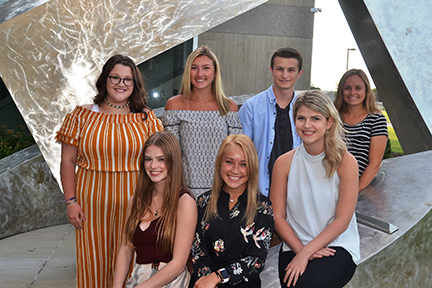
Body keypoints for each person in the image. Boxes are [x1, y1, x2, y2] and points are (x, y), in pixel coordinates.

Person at [55, 54, 163, 288]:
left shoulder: (146, 119)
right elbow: (67, 160)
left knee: (133, 265)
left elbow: (160, 165)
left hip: (136, 206)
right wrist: (70, 202)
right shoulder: (82, 115)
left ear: (135, 85)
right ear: (105, 79)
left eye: (127, 79)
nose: (120, 84)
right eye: (115, 77)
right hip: (90, 209)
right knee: (93, 264)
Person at [271, 91, 360, 288]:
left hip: (336, 246)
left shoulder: (345, 162)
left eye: (315, 118)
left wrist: (306, 253)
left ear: (329, 122)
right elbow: (277, 217)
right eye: (301, 118)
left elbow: (343, 220)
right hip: (294, 244)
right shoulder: (283, 163)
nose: (307, 125)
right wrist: (301, 249)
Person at [113, 131, 197, 288]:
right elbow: (125, 250)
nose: (153, 166)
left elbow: (178, 264)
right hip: (138, 279)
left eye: (161, 160)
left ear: (173, 162)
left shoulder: (185, 203)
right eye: (148, 159)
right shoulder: (136, 201)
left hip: (171, 282)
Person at [191, 134, 274, 288]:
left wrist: (219, 277)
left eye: (243, 164)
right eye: (229, 162)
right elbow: (197, 249)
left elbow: (256, 260)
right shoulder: (203, 202)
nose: (235, 170)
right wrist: (208, 281)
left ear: (252, 167)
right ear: (220, 164)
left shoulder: (263, 206)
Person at [163, 45, 242, 197]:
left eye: (206, 68)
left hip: (222, 191)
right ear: (188, 72)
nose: (200, 74)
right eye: (194, 68)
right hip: (185, 192)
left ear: (214, 72)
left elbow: (236, 154)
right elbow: (171, 154)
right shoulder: (174, 105)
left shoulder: (228, 107)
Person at [239, 47, 303, 196]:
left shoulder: (306, 109)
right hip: (259, 193)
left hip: (296, 193)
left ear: (300, 73)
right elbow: (242, 153)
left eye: (291, 70)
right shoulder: (251, 107)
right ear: (271, 70)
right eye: (280, 69)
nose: (285, 75)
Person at [335, 69, 388, 192]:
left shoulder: (376, 119)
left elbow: (375, 164)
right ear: (341, 90)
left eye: (358, 88)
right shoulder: (333, 117)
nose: (352, 92)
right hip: (328, 184)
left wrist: (353, 191)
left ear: (366, 90)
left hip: (357, 186)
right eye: (347, 88)